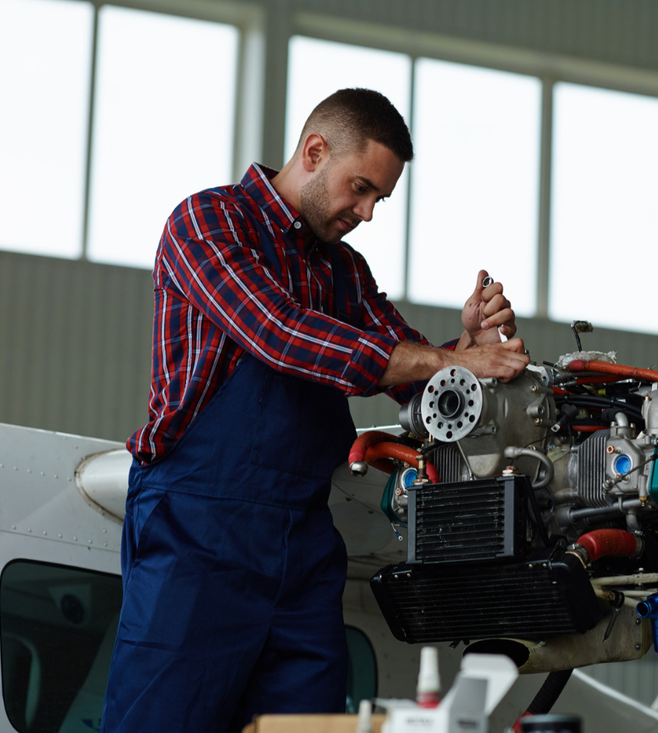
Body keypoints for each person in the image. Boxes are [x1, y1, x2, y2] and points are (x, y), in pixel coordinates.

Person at [100, 88, 529, 733]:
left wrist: (466, 349)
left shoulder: (345, 271)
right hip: (197, 533)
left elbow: (410, 376)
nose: (365, 213)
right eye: (359, 189)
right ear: (314, 150)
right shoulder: (207, 222)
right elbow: (282, 336)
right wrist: (450, 364)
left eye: (377, 199)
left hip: (303, 543)